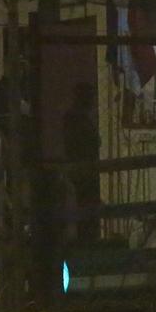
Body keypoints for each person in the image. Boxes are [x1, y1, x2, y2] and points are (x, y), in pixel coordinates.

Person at [61, 82, 102, 244]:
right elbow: (90, 142)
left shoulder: (75, 117)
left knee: (85, 203)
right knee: (85, 204)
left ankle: (86, 239)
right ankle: (86, 240)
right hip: (83, 167)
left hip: (82, 166)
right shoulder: (79, 118)